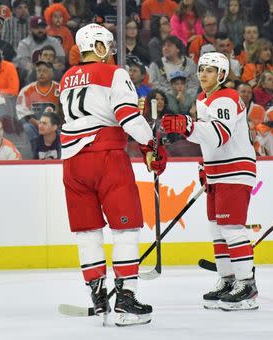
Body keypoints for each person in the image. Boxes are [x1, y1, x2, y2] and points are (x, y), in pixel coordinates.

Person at [59, 23, 167, 326]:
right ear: (101, 46)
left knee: (87, 231)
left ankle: (97, 295)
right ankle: (126, 300)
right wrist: (151, 144)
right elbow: (127, 117)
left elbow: (92, 111)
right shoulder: (113, 72)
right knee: (126, 229)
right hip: (106, 158)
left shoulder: (67, 78)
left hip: (71, 163)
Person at [162, 52, 258, 311]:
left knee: (231, 228)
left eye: (210, 70)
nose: (203, 74)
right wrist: (205, 164)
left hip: (234, 169)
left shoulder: (225, 97)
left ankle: (247, 285)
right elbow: (206, 137)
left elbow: (219, 135)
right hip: (218, 171)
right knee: (217, 229)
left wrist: (187, 125)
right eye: (201, 69)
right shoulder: (204, 98)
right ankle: (227, 280)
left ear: (222, 75)